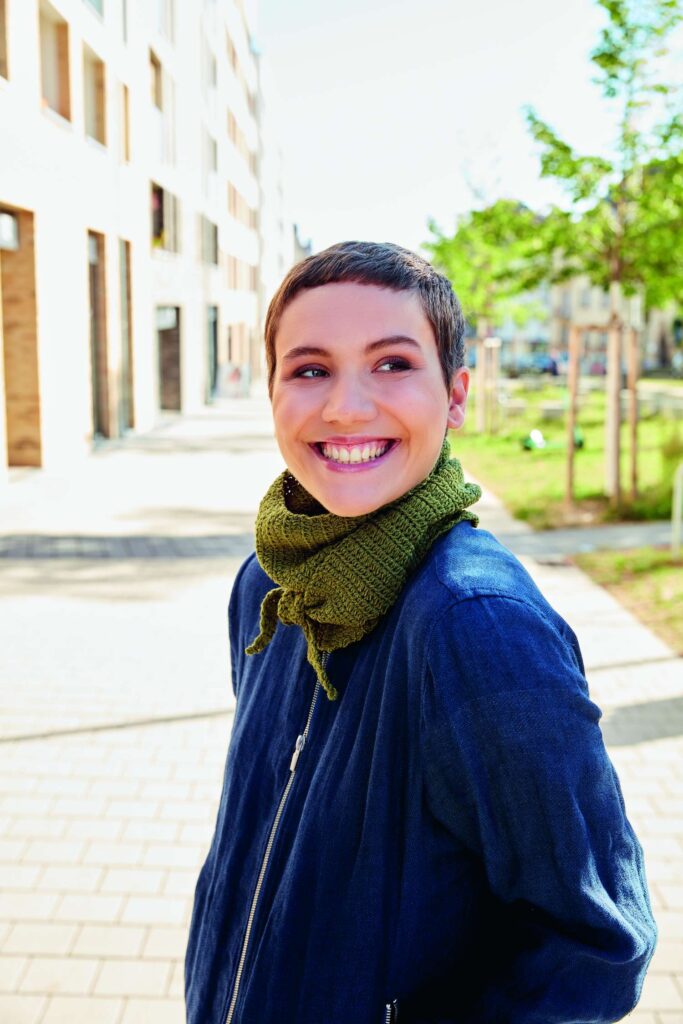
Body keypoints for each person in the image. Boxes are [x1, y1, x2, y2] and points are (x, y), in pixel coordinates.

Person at [185, 241, 657, 1024]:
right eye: (309, 369)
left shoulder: (476, 623)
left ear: (455, 394)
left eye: (392, 364)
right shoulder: (268, 586)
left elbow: (591, 947)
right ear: (270, 391)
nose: (345, 407)